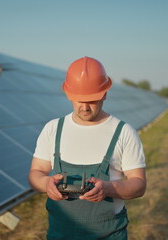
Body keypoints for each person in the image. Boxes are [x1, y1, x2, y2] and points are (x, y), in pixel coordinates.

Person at [28, 56, 146, 240]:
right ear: (68, 95)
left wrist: (107, 189)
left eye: (92, 100)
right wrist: (46, 184)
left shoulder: (123, 132)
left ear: (105, 94)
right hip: (60, 234)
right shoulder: (53, 129)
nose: (84, 107)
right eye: (78, 100)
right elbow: (36, 173)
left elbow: (138, 185)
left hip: (109, 235)